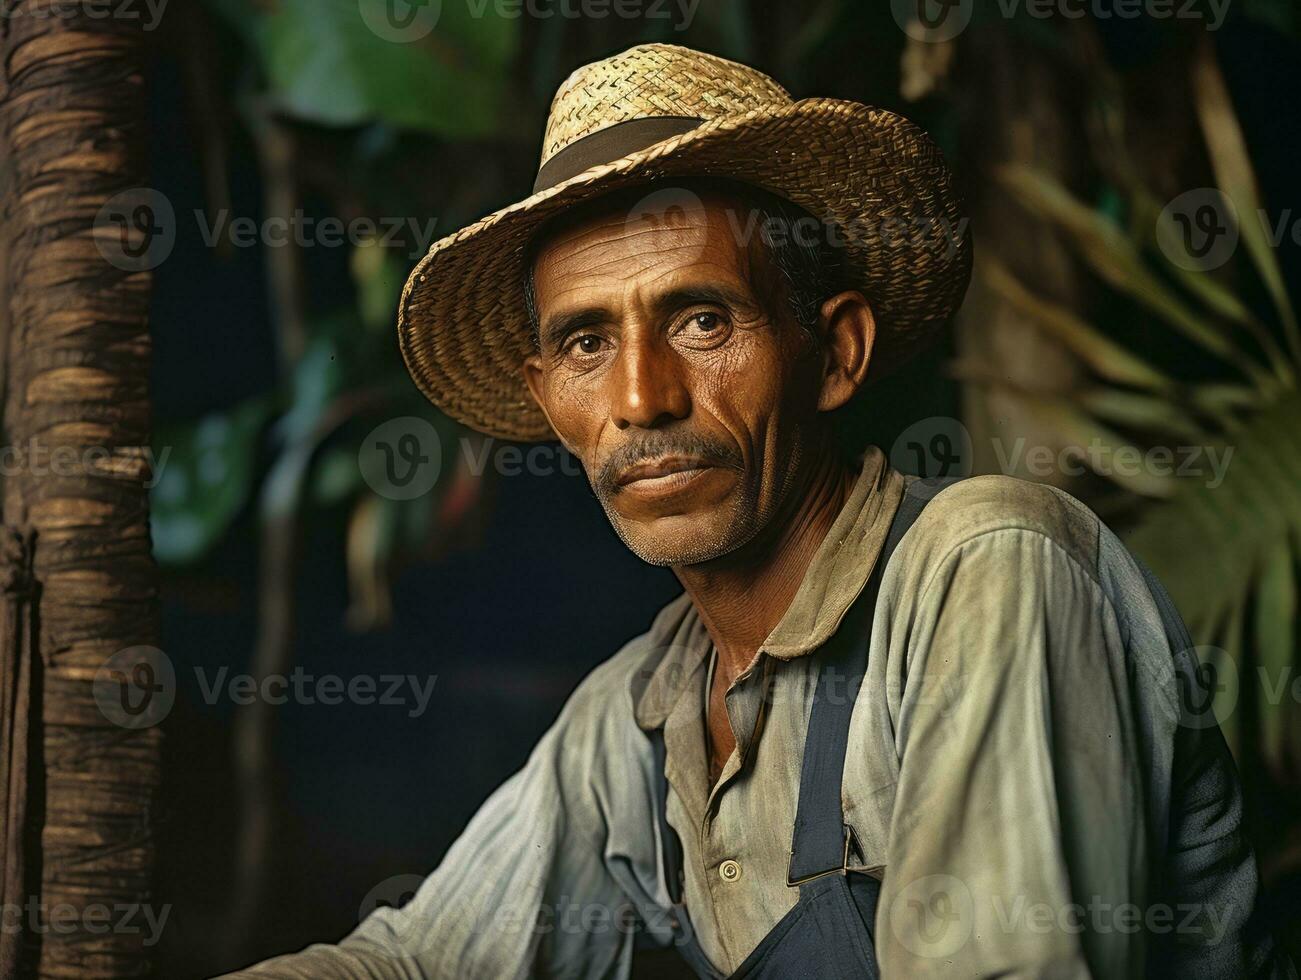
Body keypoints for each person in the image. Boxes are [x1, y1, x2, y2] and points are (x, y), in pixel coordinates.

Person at [225, 43, 1290, 979]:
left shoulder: (984, 570)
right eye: (588, 343)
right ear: (550, 401)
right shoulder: (641, 714)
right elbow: (415, 960)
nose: (640, 399)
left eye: (698, 318)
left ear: (832, 353)